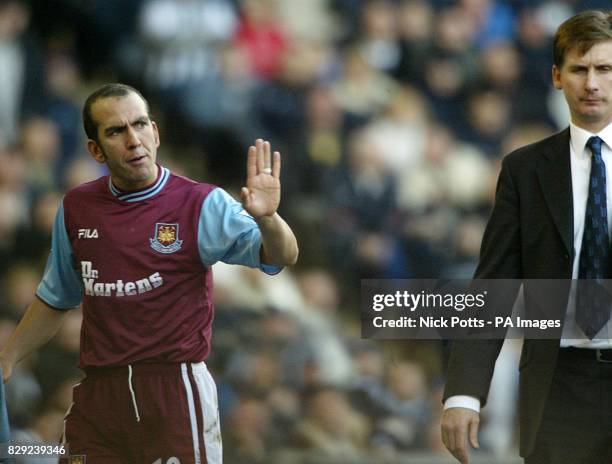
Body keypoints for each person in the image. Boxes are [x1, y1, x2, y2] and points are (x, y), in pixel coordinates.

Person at [0, 83, 299, 463]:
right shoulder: (76, 208)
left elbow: (283, 254)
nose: (133, 139)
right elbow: (56, 297)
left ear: (155, 133)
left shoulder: (200, 202)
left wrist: (269, 218)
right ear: (95, 150)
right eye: (115, 131)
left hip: (174, 390)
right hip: (99, 394)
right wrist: (6, 358)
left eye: (140, 125)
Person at [441, 10, 612, 464]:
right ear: (557, 77)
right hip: (559, 386)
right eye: (579, 69)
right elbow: (494, 284)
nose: (592, 83)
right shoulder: (524, 170)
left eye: (605, 69)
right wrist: (463, 393)